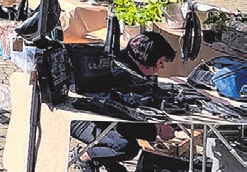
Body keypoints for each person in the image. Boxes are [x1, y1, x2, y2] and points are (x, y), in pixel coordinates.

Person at [71, 33, 177, 172]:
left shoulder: (124, 63)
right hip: (82, 119)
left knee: (128, 143)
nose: (158, 69)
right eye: (160, 63)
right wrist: (157, 129)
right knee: (127, 148)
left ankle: (105, 161)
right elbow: (125, 121)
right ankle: (84, 157)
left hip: (98, 116)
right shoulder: (120, 72)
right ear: (149, 56)